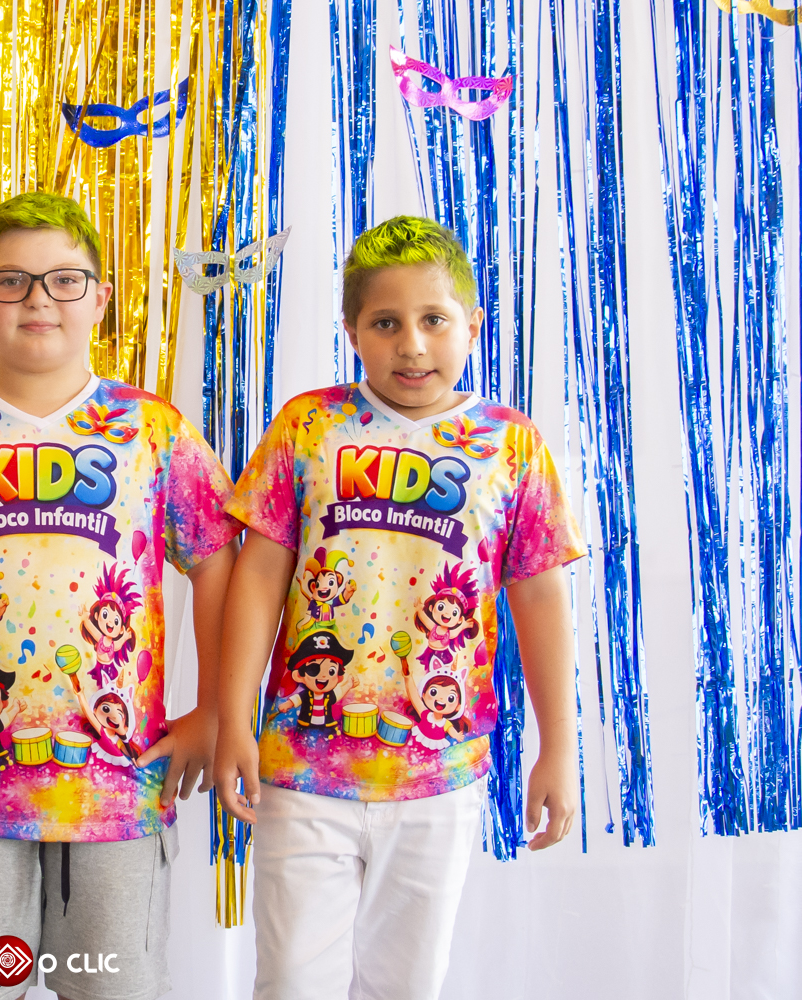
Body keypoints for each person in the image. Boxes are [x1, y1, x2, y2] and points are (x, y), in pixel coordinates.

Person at [0, 192, 239, 1000]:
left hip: (120, 789)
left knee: (115, 990)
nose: (38, 300)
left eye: (65, 280)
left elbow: (218, 563)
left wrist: (213, 710)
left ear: (101, 298)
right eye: (12, 281)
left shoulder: (153, 432)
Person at [214, 216, 586, 1000]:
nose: (412, 345)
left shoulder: (509, 445)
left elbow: (540, 595)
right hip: (305, 767)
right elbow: (259, 577)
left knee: (407, 985)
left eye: (433, 320)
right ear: (351, 331)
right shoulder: (309, 428)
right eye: (386, 323)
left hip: (438, 775)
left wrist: (559, 746)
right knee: (291, 982)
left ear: (473, 325)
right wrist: (231, 719)